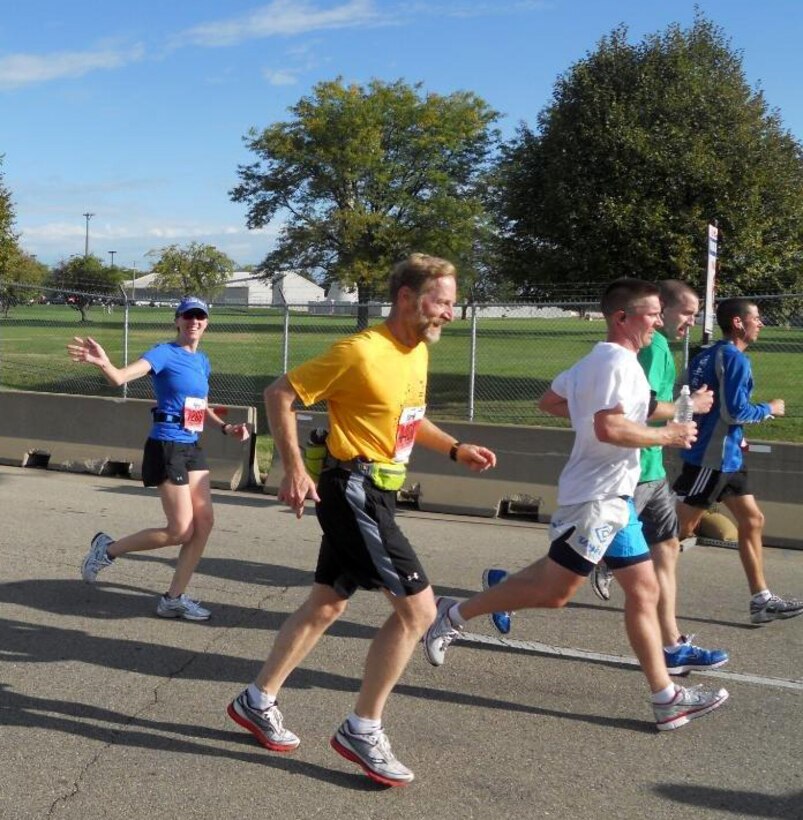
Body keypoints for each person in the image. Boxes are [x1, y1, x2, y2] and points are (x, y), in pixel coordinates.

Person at [226, 254, 496, 787]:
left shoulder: (415, 350)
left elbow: (408, 422)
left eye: (451, 303)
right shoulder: (359, 351)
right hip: (355, 488)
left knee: (326, 603)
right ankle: (362, 727)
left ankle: (257, 700)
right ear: (407, 298)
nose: (449, 313)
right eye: (441, 302)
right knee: (418, 612)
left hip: (379, 490)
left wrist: (456, 448)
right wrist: (295, 469)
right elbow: (280, 393)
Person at [423, 278, 729, 731]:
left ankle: (667, 698)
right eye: (651, 314)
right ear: (622, 317)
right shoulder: (616, 364)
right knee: (555, 592)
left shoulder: (600, 360)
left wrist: (600, 417)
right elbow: (610, 429)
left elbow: (551, 401)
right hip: (594, 499)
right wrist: (669, 434)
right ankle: (453, 613)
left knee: (643, 591)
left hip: (615, 499)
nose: (659, 322)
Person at [69, 297, 250, 620]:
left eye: (200, 317)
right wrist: (104, 364)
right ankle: (107, 549)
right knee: (180, 530)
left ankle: (173, 598)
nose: (194, 321)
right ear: (177, 320)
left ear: (206, 323)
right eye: (188, 316)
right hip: (166, 444)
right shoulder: (163, 353)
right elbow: (121, 378)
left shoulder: (202, 360)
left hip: (192, 446)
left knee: (204, 523)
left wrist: (226, 428)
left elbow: (200, 405)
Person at [673, 297, 803, 625]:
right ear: (738, 323)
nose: (760, 323)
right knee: (678, 530)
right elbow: (734, 413)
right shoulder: (734, 359)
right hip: (712, 459)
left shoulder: (706, 354)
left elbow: (682, 396)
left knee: (753, 520)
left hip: (728, 456)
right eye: (756, 318)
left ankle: (761, 601)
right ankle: (615, 562)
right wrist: (769, 409)